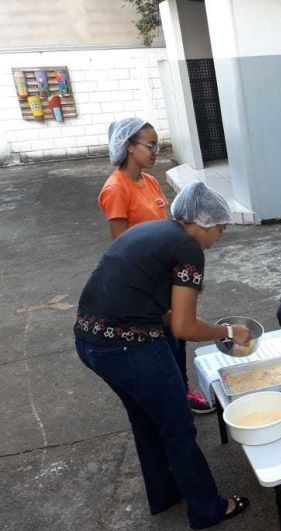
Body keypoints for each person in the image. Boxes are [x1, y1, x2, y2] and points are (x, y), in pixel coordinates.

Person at [75, 182, 251, 530]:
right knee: (177, 427)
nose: (220, 236)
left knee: (146, 421)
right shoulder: (188, 249)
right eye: (220, 228)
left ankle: (165, 494)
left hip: (90, 341)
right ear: (203, 222)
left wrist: (203, 325)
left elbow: (159, 309)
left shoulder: (151, 231)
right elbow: (184, 327)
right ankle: (207, 508)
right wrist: (229, 332)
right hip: (131, 347)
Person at [97, 117, 210, 413]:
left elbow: (168, 227)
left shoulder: (149, 181)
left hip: (166, 276)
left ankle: (182, 392)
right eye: (150, 145)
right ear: (128, 146)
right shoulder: (116, 188)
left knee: (177, 336)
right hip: (144, 283)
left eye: (157, 145)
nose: (156, 151)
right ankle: (171, 400)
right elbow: (121, 250)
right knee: (160, 342)